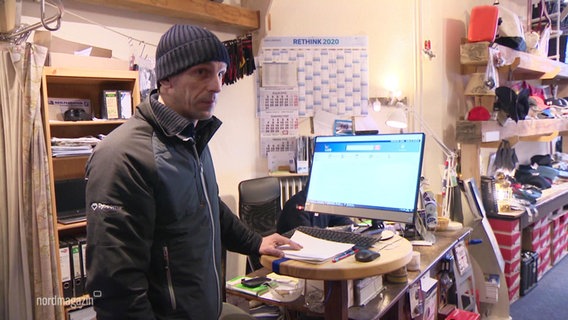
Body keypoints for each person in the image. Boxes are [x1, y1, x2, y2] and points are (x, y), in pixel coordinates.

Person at [85, 24, 301, 320]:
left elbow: (211, 208)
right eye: (202, 72)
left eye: (221, 72)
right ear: (167, 79)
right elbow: (115, 286)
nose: (217, 86)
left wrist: (257, 242)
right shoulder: (122, 156)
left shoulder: (193, 137)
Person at [277, 187, 353, 234]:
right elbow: (308, 236)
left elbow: (343, 221)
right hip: (290, 255)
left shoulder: (325, 200)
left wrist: (358, 231)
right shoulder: (297, 206)